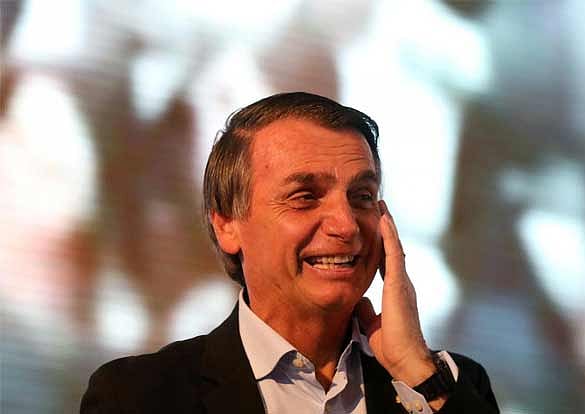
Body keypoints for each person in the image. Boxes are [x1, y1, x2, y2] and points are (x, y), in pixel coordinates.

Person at [80, 92, 499, 413]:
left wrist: (416, 370)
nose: (346, 225)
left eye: (362, 196)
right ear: (227, 224)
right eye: (305, 197)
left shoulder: (450, 386)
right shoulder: (138, 396)